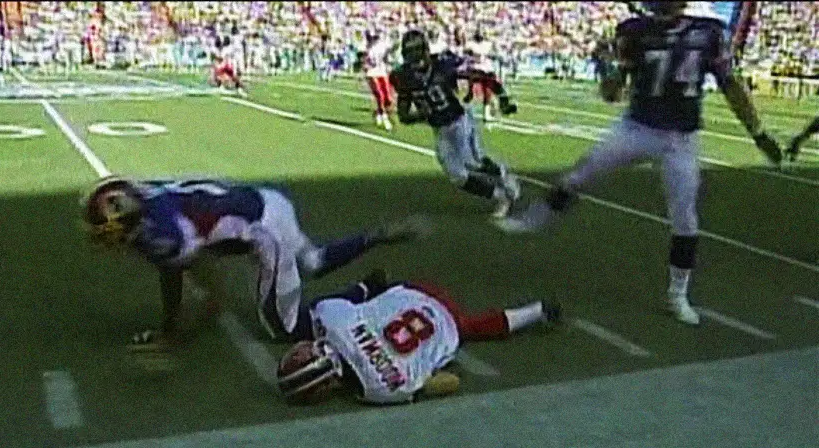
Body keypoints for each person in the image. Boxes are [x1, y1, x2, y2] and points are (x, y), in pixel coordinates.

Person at [496, 1, 783, 326]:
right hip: (638, 127)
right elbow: (611, 95)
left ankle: (678, 294)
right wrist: (612, 69)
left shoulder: (708, 32)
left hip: (680, 137)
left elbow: (730, 84)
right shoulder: (636, 31)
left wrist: (758, 132)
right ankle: (536, 219)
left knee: (685, 218)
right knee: (581, 174)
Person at [80, 176, 427, 349]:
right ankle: (376, 241)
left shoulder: (163, 231)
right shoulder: (150, 198)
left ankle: (366, 293)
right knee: (315, 262)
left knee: (284, 329)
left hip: (262, 228)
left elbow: (203, 283)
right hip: (262, 200)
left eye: (108, 221)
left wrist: (175, 331)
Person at [277, 270, 561, 405]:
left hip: (450, 323)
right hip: (413, 288)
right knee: (336, 304)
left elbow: (450, 382)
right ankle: (368, 286)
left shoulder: (378, 391)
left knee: (474, 328)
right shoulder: (333, 319)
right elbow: (331, 307)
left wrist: (425, 372)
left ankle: (536, 311)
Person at [390, 29, 521, 219]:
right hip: (440, 130)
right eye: (411, 58)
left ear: (427, 50)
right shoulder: (404, 77)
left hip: (459, 120)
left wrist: (503, 98)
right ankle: (499, 195)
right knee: (457, 175)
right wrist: (418, 116)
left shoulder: (444, 65)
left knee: (472, 162)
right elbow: (403, 115)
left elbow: (483, 76)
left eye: (418, 56)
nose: (416, 64)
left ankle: (504, 177)